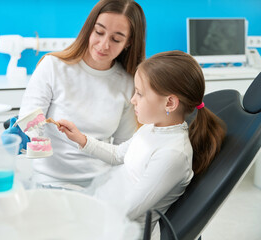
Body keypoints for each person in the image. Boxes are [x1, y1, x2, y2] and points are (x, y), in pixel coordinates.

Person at [57, 50, 226, 235]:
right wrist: (81, 139)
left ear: (170, 103)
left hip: (120, 230)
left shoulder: (173, 154)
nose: (132, 99)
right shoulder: (151, 129)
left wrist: (81, 216)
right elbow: (118, 155)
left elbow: (127, 210)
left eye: (139, 93)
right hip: (105, 211)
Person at [4, 0, 147, 188]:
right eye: (99, 32)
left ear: (128, 42)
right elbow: (31, 123)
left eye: (116, 39)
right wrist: (23, 135)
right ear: (89, 28)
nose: (104, 45)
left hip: (100, 186)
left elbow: (122, 152)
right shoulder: (53, 66)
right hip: (50, 183)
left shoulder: (128, 84)